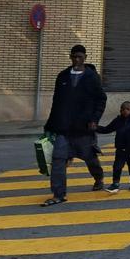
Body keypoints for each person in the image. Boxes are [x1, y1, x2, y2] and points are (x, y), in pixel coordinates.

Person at [41, 44, 107, 207]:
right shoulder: (62, 76)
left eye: (80, 57)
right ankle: (58, 194)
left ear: (85, 57)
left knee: (90, 158)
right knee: (58, 159)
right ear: (70, 57)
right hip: (63, 127)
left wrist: (94, 119)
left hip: (83, 128)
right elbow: (56, 102)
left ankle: (98, 177)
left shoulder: (92, 77)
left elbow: (101, 99)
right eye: (74, 57)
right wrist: (50, 125)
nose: (77, 60)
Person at [98, 101, 130, 193]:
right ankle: (115, 184)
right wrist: (96, 128)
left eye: (127, 109)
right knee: (117, 166)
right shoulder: (118, 121)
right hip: (120, 149)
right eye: (123, 109)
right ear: (120, 110)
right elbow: (108, 129)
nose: (125, 111)